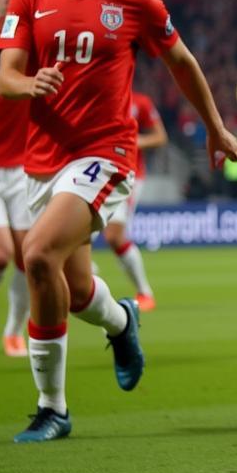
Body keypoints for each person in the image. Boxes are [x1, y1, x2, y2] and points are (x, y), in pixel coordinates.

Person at [0, 0, 237, 442]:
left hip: (105, 155)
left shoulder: (136, 0)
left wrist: (215, 125)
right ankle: (122, 320)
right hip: (42, 163)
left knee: (35, 256)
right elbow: (6, 72)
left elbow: (181, 62)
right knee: (76, 289)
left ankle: (52, 407)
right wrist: (30, 82)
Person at [97, 89, 167, 310]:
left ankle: (144, 292)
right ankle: (84, 275)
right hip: (95, 171)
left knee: (114, 236)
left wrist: (134, 142)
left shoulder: (141, 102)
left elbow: (160, 137)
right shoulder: (99, 97)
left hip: (128, 174)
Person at [0, 0, 33, 357]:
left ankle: (13, 329)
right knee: (1, 254)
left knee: (27, 257)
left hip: (26, 165)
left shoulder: (38, 37)